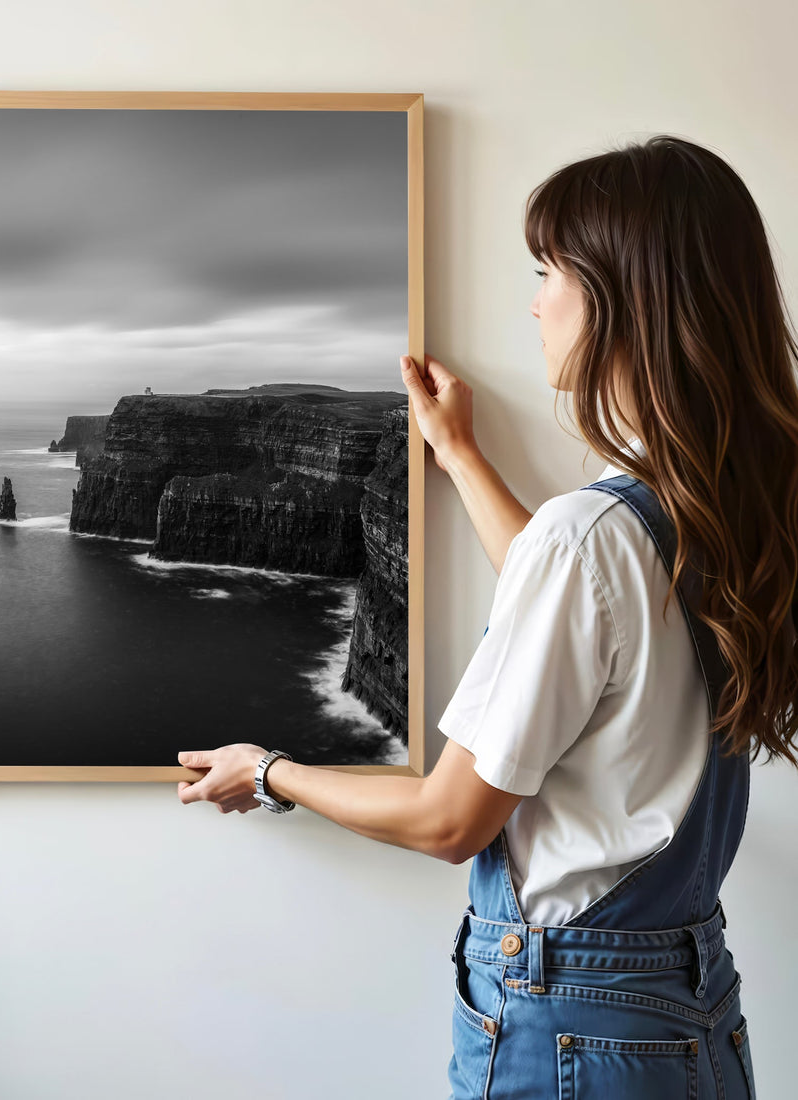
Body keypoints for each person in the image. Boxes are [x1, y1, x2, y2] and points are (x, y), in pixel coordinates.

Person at [175, 134, 798, 1098]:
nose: (536, 299)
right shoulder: (716, 509)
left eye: (550, 271)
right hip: (686, 1012)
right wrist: (461, 456)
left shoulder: (592, 535)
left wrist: (268, 771)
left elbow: (447, 819)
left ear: (623, 299)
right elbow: (585, 622)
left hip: (572, 1028)